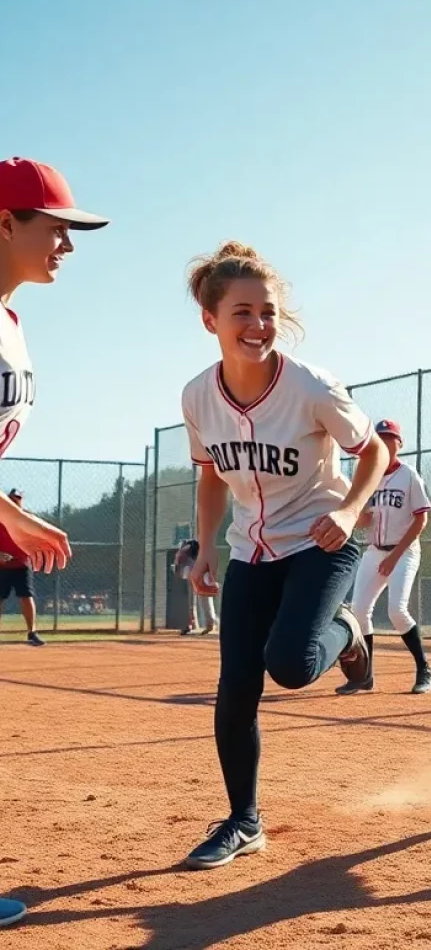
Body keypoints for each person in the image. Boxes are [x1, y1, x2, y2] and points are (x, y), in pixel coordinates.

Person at [179, 240, 389, 869]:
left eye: (267, 311)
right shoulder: (197, 397)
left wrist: (350, 510)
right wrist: (207, 547)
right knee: (235, 687)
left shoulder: (309, 385)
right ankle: (244, 821)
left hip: (321, 541)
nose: (259, 325)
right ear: (210, 320)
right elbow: (212, 474)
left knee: (292, 667)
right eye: (242, 312)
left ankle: (348, 630)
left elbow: (374, 450)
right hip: (251, 551)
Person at [0, 156, 107, 928]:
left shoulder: (11, 320)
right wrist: (12, 514)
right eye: (56, 227)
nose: (67, 244)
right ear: (4, 222)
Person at [336, 419, 431, 695]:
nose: (384, 442)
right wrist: (360, 516)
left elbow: (421, 520)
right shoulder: (369, 474)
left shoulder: (409, 476)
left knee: (396, 610)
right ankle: (365, 676)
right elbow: (361, 519)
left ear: (399, 444)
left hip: (404, 550)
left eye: (390, 438)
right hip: (375, 550)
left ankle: (425, 669)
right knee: (359, 610)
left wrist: (395, 558)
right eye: (380, 438)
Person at [0, 489, 45, 645]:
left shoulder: (27, 518)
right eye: (12, 499)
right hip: (2, 566)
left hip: (22, 565)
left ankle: (32, 633)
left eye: (18, 499)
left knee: (26, 596)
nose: (15, 501)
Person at [173, 538, 219, 634]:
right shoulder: (199, 550)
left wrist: (177, 571)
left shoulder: (186, 549)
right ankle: (207, 623)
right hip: (197, 572)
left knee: (194, 599)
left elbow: (178, 558)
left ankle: (192, 624)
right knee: (202, 597)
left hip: (193, 572)